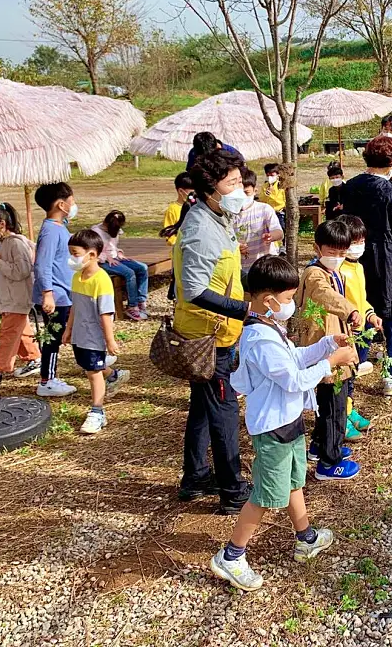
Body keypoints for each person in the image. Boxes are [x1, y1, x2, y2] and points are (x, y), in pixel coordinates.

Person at [210, 256, 355, 592]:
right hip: (272, 428)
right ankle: (231, 556)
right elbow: (293, 380)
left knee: (292, 482)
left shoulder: (271, 328)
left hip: (287, 422)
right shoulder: (259, 339)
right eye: (289, 298)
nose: (290, 304)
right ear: (267, 300)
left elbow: (294, 358)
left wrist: (325, 346)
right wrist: (331, 362)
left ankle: (306, 537)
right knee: (265, 495)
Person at [175, 149, 252, 514]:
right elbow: (193, 290)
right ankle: (233, 491)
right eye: (233, 183)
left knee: (203, 409)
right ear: (211, 188)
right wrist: (246, 310)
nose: (241, 189)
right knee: (223, 412)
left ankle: (195, 477)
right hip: (208, 337)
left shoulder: (216, 216)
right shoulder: (201, 228)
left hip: (218, 332)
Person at [340, 136, 392, 397]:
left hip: (357, 252)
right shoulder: (389, 190)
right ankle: (390, 375)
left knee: (363, 304)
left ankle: (360, 359)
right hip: (387, 254)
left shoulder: (352, 185)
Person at [296, 220, 361, 479]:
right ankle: (329, 462)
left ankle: (320, 444)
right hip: (326, 348)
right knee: (334, 404)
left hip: (331, 342)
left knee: (326, 403)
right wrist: (351, 310)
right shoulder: (314, 274)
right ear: (317, 248)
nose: (337, 257)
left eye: (341, 252)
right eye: (331, 252)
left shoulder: (333, 272)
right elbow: (326, 296)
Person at [61, 229, 130, 434]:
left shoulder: (102, 281)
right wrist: (69, 328)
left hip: (93, 336)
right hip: (80, 335)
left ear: (92, 254)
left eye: (75, 253)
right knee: (90, 366)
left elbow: (106, 314)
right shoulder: (77, 277)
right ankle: (113, 376)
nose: (72, 258)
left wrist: (110, 340)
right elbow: (75, 305)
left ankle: (97, 412)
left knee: (92, 373)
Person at [336, 215, 381, 440]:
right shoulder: (338, 270)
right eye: (354, 241)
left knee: (352, 375)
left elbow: (361, 300)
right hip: (347, 333)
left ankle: (349, 410)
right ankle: (340, 418)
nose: (359, 246)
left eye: (362, 240)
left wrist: (370, 314)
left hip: (362, 331)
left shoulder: (358, 267)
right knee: (342, 377)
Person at [32, 182, 78, 398]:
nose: (74, 204)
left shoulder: (60, 226)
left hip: (64, 293)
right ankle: (47, 380)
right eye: (71, 200)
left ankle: (94, 359)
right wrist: (47, 293)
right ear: (61, 204)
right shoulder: (51, 231)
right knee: (53, 338)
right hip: (55, 296)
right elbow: (42, 264)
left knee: (66, 331)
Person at [0, 203, 41, 383]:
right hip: (11, 298)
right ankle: (34, 357)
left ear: (1, 224)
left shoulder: (14, 243)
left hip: (16, 297)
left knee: (7, 334)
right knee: (19, 330)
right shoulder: (5, 242)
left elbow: (21, 271)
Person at [92, 211, 149, 322]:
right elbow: (93, 252)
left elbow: (113, 246)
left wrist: (119, 253)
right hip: (102, 262)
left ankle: (141, 300)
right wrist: (106, 258)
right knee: (129, 273)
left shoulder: (115, 228)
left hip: (116, 258)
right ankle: (132, 306)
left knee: (142, 268)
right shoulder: (95, 232)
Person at [233, 168, 283, 277]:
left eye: (246, 193)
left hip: (265, 266)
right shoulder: (229, 214)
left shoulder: (264, 209)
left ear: (255, 190)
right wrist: (236, 247)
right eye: (238, 193)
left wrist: (271, 236)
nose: (242, 197)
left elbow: (279, 232)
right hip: (240, 268)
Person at [162, 172, 195, 246]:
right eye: (192, 193)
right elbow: (170, 236)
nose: (194, 196)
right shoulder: (172, 210)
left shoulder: (197, 206)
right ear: (180, 191)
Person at [260, 162, 287, 235]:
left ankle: (282, 243)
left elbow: (282, 200)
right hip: (268, 212)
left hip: (279, 212)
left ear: (278, 175)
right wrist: (266, 195)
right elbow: (261, 200)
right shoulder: (265, 186)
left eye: (272, 175)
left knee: (282, 228)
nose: (270, 177)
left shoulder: (281, 186)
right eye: (268, 175)